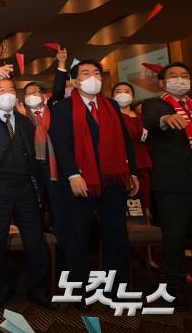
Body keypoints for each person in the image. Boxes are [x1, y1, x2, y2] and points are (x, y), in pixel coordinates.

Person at [50, 59, 139, 310]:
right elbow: (61, 143)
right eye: (86, 73)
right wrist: (72, 174)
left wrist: (130, 171)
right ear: (76, 81)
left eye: (97, 73)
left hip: (112, 179)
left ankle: (115, 290)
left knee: (116, 235)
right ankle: (79, 292)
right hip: (81, 180)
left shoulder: (110, 105)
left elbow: (124, 142)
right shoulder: (63, 108)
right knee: (78, 236)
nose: (93, 77)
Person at [0, 64, 54, 310]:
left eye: (11, 89)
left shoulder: (26, 123)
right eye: (1, 90)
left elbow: (36, 158)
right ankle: (0, 289)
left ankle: (37, 290)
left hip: (25, 188)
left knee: (35, 240)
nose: (7, 93)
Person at [142, 62, 192, 310]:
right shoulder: (154, 104)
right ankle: (174, 288)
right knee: (174, 238)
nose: (180, 80)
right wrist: (165, 118)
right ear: (162, 83)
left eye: (184, 76)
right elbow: (152, 121)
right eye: (173, 76)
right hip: (173, 183)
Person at [17, 47, 68, 257]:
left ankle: (64, 256)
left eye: (35, 92)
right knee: (35, 215)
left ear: (44, 96)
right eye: (27, 94)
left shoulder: (54, 110)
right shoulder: (21, 115)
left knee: (59, 213)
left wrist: (62, 64)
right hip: (33, 172)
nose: (31, 96)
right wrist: (22, 118)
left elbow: (58, 88)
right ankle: (37, 254)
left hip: (55, 170)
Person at [112, 82, 152, 209]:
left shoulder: (142, 116)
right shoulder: (111, 117)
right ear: (112, 97)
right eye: (118, 91)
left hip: (141, 161)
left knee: (144, 196)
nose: (123, 93)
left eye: (127, 91)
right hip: (122, 162)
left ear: (133, 97)